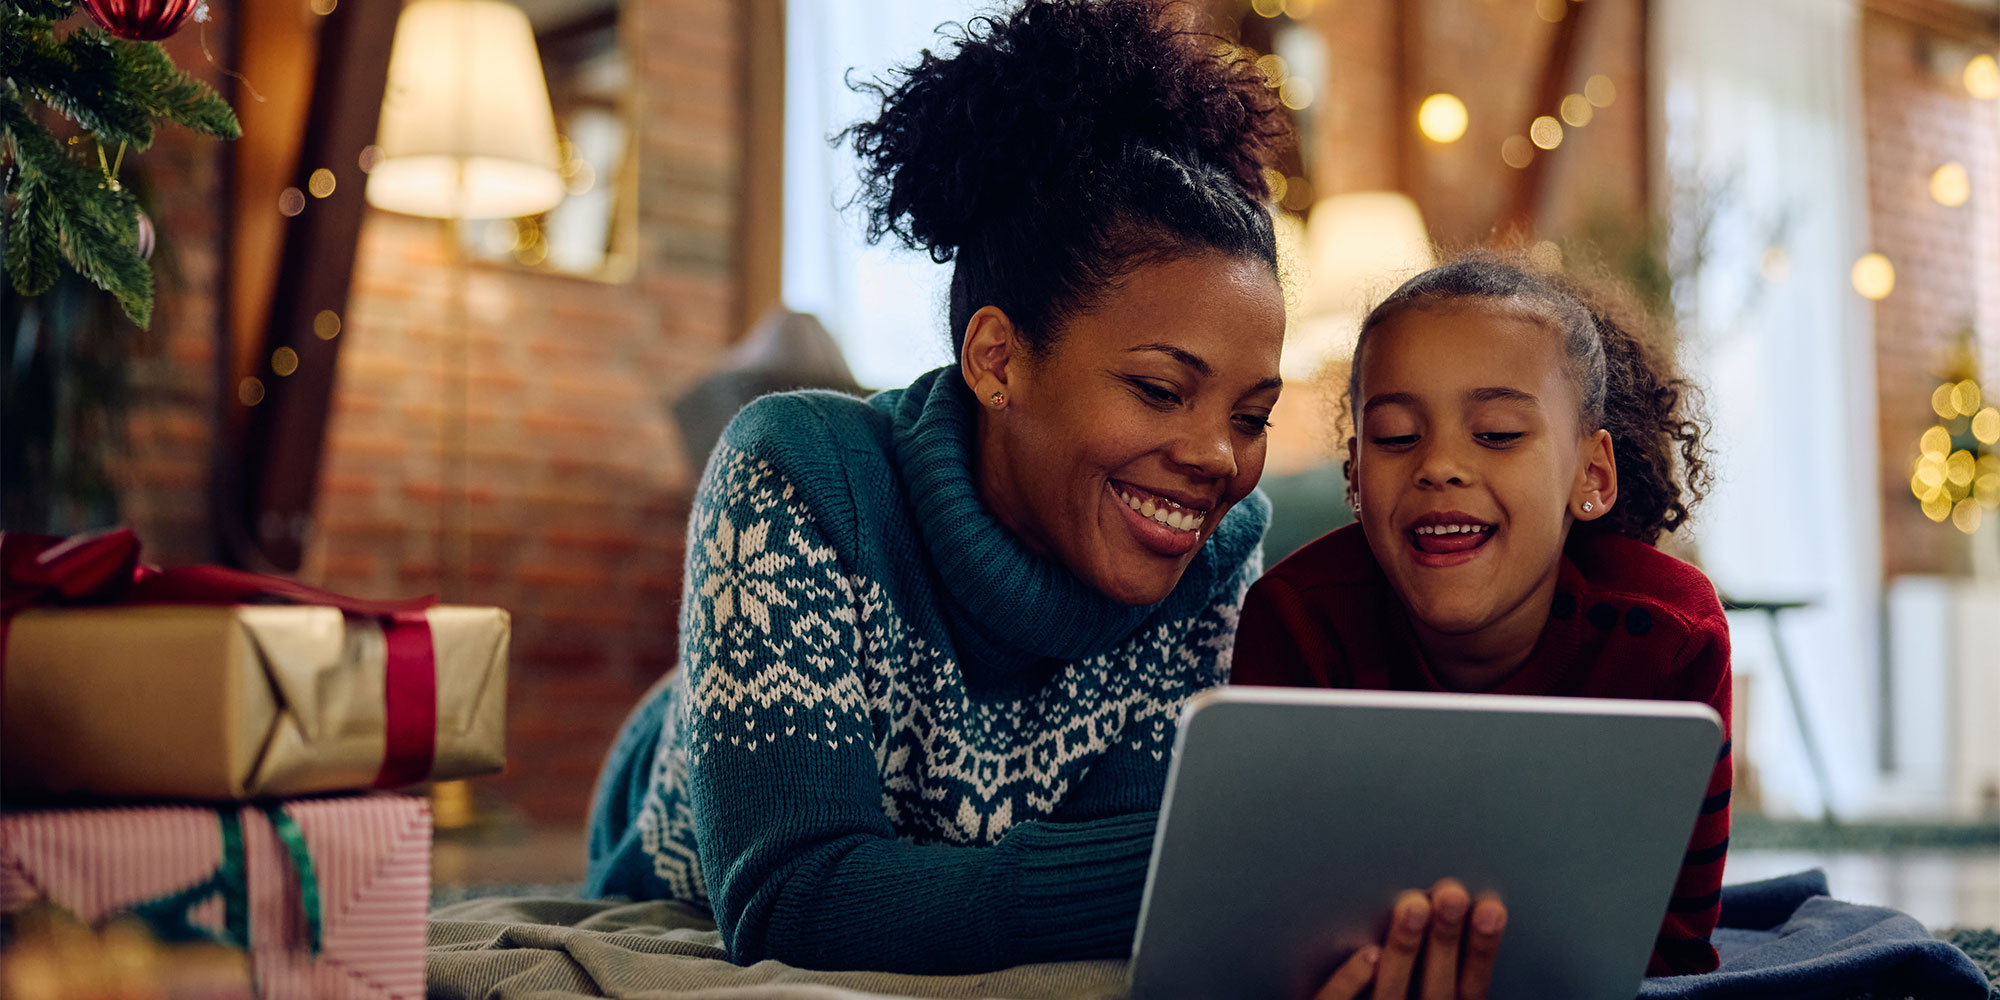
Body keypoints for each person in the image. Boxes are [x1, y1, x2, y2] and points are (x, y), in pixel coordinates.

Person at [587, 1, 1503, 992]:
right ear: (996, 359)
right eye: (1159, 388)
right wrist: (1238, 860)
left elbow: (1113, 856)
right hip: (668, 832)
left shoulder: (1216, 552)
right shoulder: (798, 472)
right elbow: (793, 897)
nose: (1215, 459)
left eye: (1249, 416)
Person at [1232, 252, 1733, 977]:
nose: (1438, 465)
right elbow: (1268, 921)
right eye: (1397, 437)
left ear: (1591, 477)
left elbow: (1675, 949)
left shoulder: (1670, 639)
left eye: (1496, 433)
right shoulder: (1296, 621)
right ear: (1356, 476)